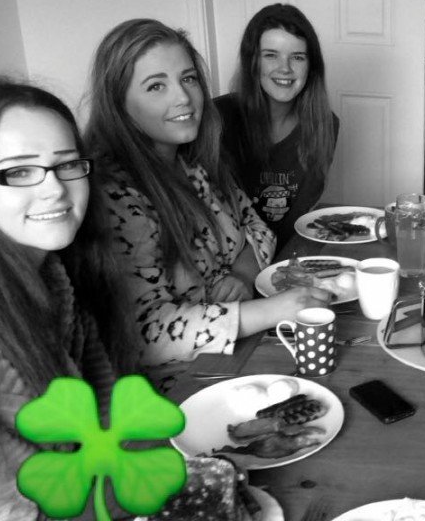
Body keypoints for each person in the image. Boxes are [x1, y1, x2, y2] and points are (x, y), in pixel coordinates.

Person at [85, 19, 330, 366]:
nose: (183, 97)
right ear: (118, 103)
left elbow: (257, 227)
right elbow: (146, 334)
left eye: (188, 79)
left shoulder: (195, 163)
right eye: (156, 86)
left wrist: (244, 275)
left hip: (238, 344)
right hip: (179, 381)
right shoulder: (115, 195)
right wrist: (266, 312)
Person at [0, 79, 133, 518]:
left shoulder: (54, 277)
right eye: (19, 171)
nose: (54, 188)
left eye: (67, 164)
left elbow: (107, 421)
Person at [215, 3, 339, 254]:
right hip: (229, 263)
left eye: (297, 57)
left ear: (311, 67)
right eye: (271, 55)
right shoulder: (217, 118)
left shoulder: (326, 124)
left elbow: (297, 219)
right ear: (252, 62)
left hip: (285, 257)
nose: (285, 68)